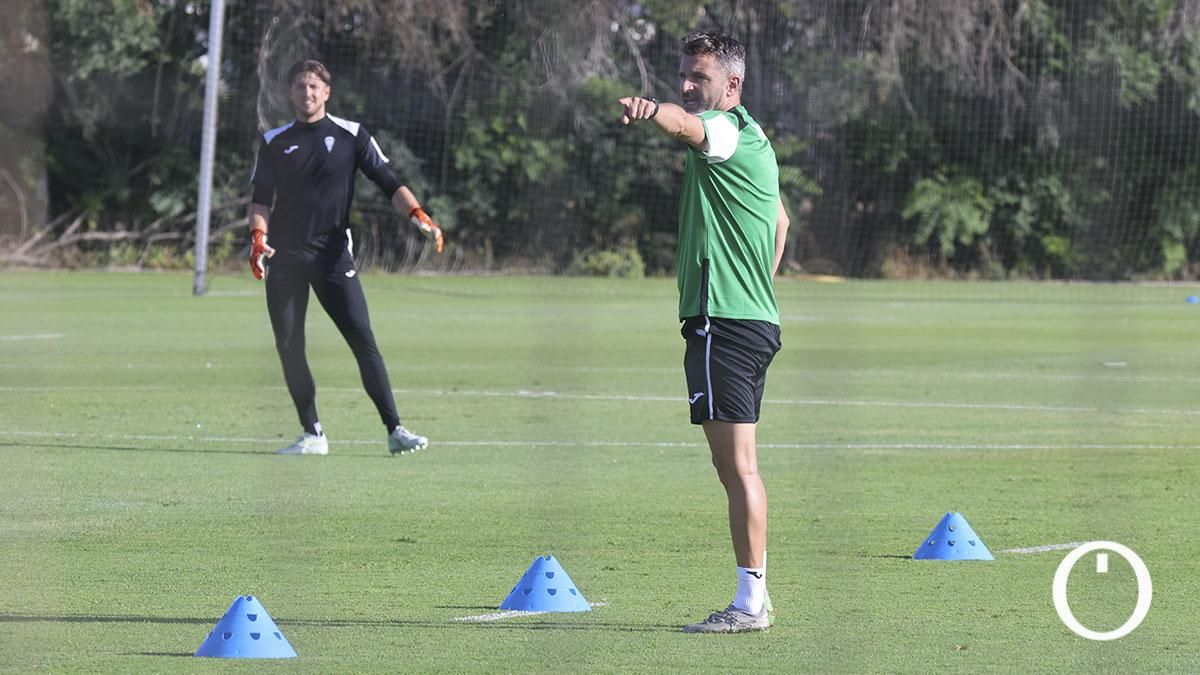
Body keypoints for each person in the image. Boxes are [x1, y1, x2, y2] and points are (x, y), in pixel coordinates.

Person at [618, 32, 789, 633]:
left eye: (700, 78)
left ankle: (750, 604)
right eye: (684, 77)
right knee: (738, 466)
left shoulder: (726, 132)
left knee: (737, 468)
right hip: (751, 319)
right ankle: (755, 597)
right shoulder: (759, 140)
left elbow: (687, 129)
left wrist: (651, 110)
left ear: (732, 84)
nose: (688, 87)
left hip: (725, 322)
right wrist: (757, 286)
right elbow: (781, 220)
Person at [248, 59, 443, 457]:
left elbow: (389, 181)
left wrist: (418, 214)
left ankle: (395, 429)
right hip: (284, 258)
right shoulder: (273, 141)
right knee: (289, 345)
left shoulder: (352, 135)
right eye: (300, 86)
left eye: (314, 86)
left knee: (362, 339)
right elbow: (260, 200)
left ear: (327, 92)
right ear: (291, 92)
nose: (307, 92)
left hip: (334, 256)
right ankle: (312, 433)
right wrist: (257, 238)